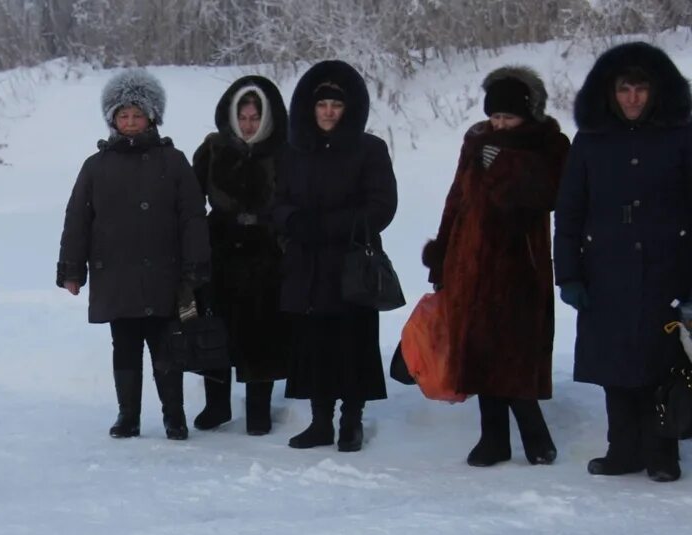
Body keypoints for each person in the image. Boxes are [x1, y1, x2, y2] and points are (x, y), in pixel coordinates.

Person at [555, 42, 692, 483]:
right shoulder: (591, 139)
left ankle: (662, 451)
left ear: (656, 91)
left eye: (641, 88)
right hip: (605, 272)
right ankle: (623, 450)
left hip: (668, 269)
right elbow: (570, 211)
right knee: (615, 366)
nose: (632, 98)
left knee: (663, 364)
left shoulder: (682, 135)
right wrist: (569, 274)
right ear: (609, 93)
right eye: (624, 89)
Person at [422, 67, 570, 467]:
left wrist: (505, 164)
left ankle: (536, 437)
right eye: (495, 117)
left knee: (516, 352)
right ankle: (494, 439)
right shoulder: (477, 141)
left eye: (509, 117)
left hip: (520, 263)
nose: (500, 124)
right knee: (480, 350)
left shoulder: (549, 144)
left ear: (528, 114)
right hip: (469, 261)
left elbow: (550, 193)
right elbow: (457, 198)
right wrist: (442, 253)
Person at [58, 68, 210, 441]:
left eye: (137, 115)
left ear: (152, 117)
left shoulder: (173, 161)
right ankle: (128, 415)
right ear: (112, 119)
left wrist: (196, 266)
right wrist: (72, 270)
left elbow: (193, 217)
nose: (130, 122)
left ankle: (174, 416)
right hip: (117, 277)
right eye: (123, 116)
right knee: (124, 348)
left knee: (167, 347)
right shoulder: (96, 166)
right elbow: (78, 219)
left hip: (164, 274)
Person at [272, 61, 397, 453]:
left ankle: (351, 422)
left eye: (336, 105)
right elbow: (275, 201)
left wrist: (330, 226)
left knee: (352, 345)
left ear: (349, 109)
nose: (328, 112)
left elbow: (382, 205)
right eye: (322, 104)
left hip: (350, 266)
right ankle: (320, 421)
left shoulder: (369, 149)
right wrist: (292, 221)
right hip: (307, 267)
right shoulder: (293, 151)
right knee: (314, 346)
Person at [191, 76, 290, 436]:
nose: (248, 125)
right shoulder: (214, 149)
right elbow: (189, 199)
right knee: (217, 329)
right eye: (243, 117)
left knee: (260, 333)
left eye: (254, 119)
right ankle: (216, 405)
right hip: (221, 249)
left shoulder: (283, 153)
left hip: (266, 254)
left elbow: (293, 200)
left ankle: (258, 410)